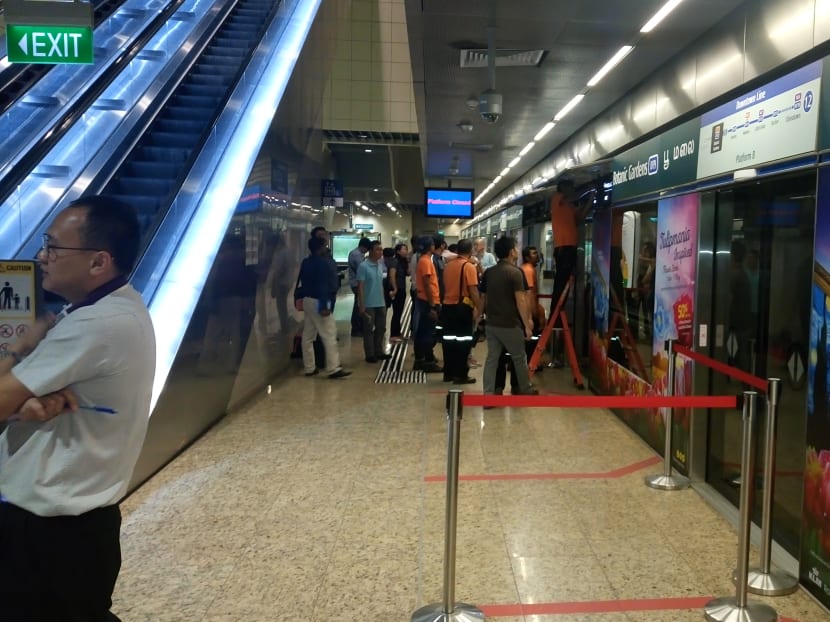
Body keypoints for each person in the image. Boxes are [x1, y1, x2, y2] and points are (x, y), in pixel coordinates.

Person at [0, 195, 156, 622]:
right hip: (73, 526)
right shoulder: (114, 307)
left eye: (53, 247)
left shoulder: (95, 324)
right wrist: (21, 406)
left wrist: (20, 348)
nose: (41, 256)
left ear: (98, 262)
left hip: (54, 532)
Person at [479, 235, 537, 397]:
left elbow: (483, 298)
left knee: (492, 360)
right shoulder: (515, 273)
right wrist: (527, 324)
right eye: (516, 248)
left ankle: (488, 394)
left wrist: (477, 319)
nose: (517, 250)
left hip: (492, 324)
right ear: (511, 252)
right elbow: (521, 300)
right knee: (519, 358)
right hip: (510, 324)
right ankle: (525, 389)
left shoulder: (489, 272)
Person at [295, 236, 352, 379]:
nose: (326, 248)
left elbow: (301, 280)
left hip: (307, 299)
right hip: (318, 300)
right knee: (329, 334)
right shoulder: (323, 263)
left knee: (308, 335)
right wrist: (325, 305)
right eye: (325, 245)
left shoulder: (306, 262)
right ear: (321, 248)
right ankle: (333, 368)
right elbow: (323, 285)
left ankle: (309, 367)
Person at [440, 239, 480, 384]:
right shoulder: (469, 267)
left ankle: (448, 373)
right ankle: (461, 375)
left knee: (449, 341)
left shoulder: (449, 266)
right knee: (463, 342)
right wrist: (479, 308)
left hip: (447, 307)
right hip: (462, 308)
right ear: (470, 251)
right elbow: (473, 291)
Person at [550, 180, 592, 306]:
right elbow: (572, 196)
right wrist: (588, 188)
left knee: (565, 282)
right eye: (571, 186)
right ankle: (556, 314)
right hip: (564, 248)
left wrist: (591, 199)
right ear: (562, 187)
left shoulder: (569, 207)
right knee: (561, 283)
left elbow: (581, 217)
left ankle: (558, 312)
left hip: (570, 248)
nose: (572, 189)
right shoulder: (557, 200)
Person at [357, 241, 390, 363]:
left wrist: (384, 300)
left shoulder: (380, 265)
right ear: (370, 251)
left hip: (380, 302)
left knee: (381, 328)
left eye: (381, 250)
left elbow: (380, 284)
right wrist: (361, 305)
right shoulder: (363, 266)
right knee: (368, 330)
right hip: (369, 303)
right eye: (377, 249)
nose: (380, 252)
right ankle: (370, 354)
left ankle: (379, 351)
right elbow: (360, 286)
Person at [413, 236, 442, 372]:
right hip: (427, 301)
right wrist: (432, 305)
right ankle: (428, 361)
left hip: (424, 300)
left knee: (422, 332)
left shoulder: (424, 260)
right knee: (427, 333)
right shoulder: (425, 261)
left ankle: (420, 359)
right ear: (430, 246)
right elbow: (427, 284)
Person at [348, 237, 372, 337]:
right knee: (358, 306)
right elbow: (361, 269)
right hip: (357, 283)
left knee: (359, 305)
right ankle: (356, 329)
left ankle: (359, 327)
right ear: (363, 247)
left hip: (357, 283)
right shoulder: (356, 254)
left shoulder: (357, 253)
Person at [389, 243, 409, 342]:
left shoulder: (402, 262)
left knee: (399, 312)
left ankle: (398, 333)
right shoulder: (395, 261)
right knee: (396, 312)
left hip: (402, 289)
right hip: (397, 290)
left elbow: (408, 273)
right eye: (403, 249)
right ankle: (393, 334)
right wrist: (395, 288)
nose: (405, 251)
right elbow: (392, 275)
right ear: (398, 251)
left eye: (406, 249)